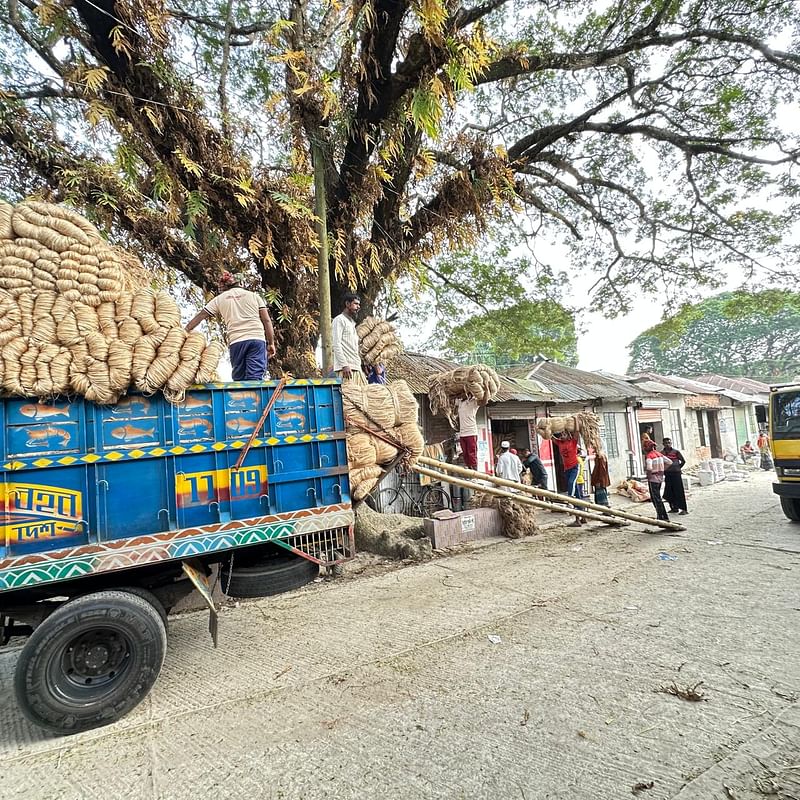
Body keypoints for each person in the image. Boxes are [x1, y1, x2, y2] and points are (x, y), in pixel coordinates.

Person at [186, 270, 275, 381]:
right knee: (255, 377)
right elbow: (266, 321)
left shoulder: (219, 299)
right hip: (256, 340)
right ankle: (255, 397)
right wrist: (271, 343)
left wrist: (184, 331)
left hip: (236, 342)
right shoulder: (254, 296)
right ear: (241, 283)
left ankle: (239, 397)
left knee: (239, 378)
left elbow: (200, 316)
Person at [552, 428, 585, 527]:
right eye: (561, 434)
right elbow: (550, 437)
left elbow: (577, 432)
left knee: (571, 484)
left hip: (574, 467)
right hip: (566, 469)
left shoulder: (573, 442)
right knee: (577, 494)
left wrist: (575, 421)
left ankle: (570, 501)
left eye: (564, 434)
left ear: (568, 435)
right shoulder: (559, 443)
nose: (562, 435)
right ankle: (581, 517)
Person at [331, 293, 365, 385]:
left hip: (356, 367)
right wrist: (344, 365)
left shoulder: (352, 323)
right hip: (346, 369)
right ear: (347, 304)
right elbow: (336, 344)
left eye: (359, 304)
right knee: (350, 397)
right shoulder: (339, 320)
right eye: (356, 304)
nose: (358, 307)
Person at [643, 440, 669, 522]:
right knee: (657, 497)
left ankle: (662, 516)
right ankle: (661, 515)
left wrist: (649, 476)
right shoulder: (659, 454)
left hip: (653, 479)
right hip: (660, 478)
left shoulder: (649, 456)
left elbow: (649, 468)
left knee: (656, 498)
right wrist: (663, 470)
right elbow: (669, 462)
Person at [661, 437, 688, 515]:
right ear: (663, 444)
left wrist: (678, 467)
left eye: (669, 443)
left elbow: (683, 461)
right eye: (666, 443)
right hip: (668, 474)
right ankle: (674, 508)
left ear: (671, 443)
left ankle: (684, 509)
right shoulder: (662, 453)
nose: (668, 444)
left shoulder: (676, 452)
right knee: (669, 491)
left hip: (676, 474)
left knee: (679, 491)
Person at [456, 397, 479, 470]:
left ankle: (475, 472)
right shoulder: (460, 402)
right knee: (465, 454)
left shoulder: (474, 401)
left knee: (471, 454)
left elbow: (484, 401)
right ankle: (469, 471)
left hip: (471, 432)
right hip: (462, 433)